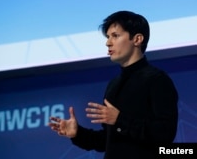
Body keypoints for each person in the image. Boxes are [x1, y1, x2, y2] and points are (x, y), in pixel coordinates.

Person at [49, 10, 178, 159]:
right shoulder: (113, 85)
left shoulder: (157, 80)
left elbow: (165, 134)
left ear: (137, 39)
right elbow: (107, 141)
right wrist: (78, 133)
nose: (108, 42)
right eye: (108, 37)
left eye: (115, 36)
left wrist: (120, 119)